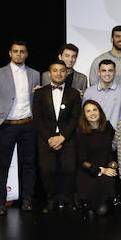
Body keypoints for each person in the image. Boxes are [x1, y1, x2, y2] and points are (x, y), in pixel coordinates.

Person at [0, 40, 40, 215]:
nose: (19, 54)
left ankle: (27, 201)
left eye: (22, 51)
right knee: (3, 165)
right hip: (7, 126)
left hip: (28, 125)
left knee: (29, 165)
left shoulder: (34, 74)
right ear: (10, 53)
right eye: (16, 51)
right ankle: (0, 203)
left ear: (26, 54)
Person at [33, 60, 82, 212]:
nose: (59, 73)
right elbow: (38, 118)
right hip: (45, 138)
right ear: (49, 73)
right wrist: (50, 137)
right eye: (55, 70)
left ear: (67, 73)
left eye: (62, 70)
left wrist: (62, 137)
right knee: (47, 170)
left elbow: (75, 118)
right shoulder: (40, 93)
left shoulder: (74, 93)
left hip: (67, 138)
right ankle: (51, 199)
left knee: (69, 169)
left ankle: (69, 198)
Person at [74, 100, 116, 215]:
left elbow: (114, 147)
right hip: (88, 173)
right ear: (84, 115)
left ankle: (91, 203)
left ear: (99, 111)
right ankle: (82, 199)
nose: (92, 113)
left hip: (106, 172)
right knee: (101, 209)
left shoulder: (107, 127)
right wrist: (101, 170)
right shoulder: (80, 132)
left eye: (94, 109)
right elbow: (82, 162)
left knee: (103, 210)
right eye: (88, 111)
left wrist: (112, 165)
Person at [88, 25, 121, 90]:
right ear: (111, 39)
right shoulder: (98, 61)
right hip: (103, 100)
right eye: (118, 36)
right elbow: (94, 87)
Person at [83, 59, 121, 128]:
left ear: (115, 72)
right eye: (104, 71)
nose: (107, 74)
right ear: (99, 73)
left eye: (110, 70)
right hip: (94, 134)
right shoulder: (89, 92)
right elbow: (84, 115)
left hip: (116, 135)